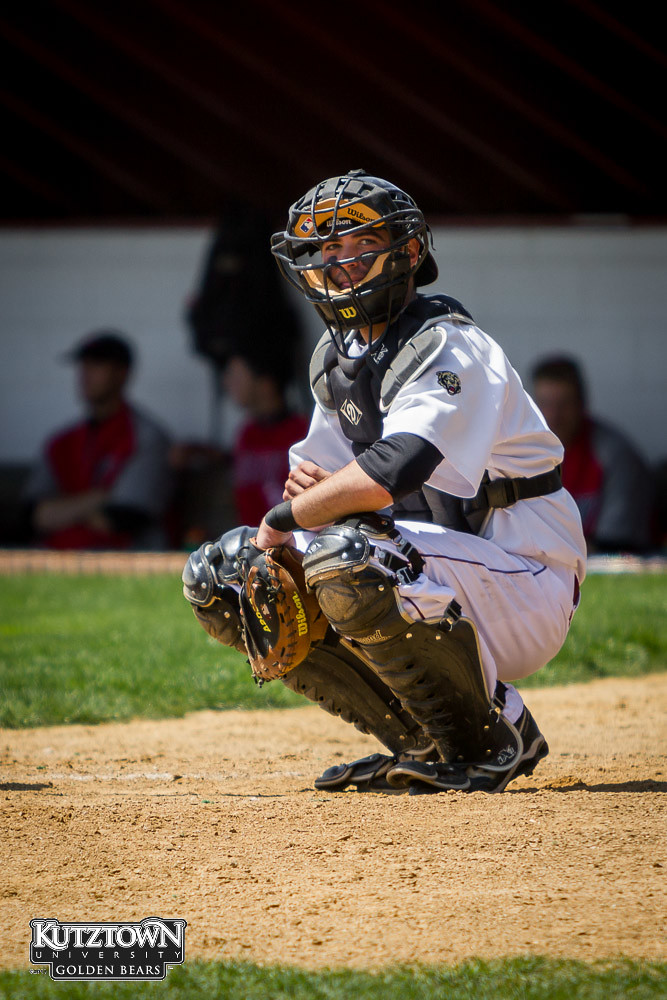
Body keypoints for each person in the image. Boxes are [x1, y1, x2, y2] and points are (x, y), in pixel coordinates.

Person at [183, 169, 586, 795]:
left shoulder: (448, 343)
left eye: (360, 243)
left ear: (408, 251)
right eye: (329, 248)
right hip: (440, 575)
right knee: (229, 575)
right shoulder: (338, 361)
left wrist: (291, 517)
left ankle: (496, 730)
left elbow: (391, 470)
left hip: (527, 575)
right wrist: (300, 516)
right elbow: (312, 489)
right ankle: (424, 740)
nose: (340, 261)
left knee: (347, 553)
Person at [24, 331, 172, 550]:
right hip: (54, 557)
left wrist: (60, 511)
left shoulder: (147, 437)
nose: (85, 374)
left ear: (122, 373)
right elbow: (30, 517)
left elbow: (122, 517)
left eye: (96, 364)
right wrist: (98, 498)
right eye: (83, 365)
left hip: (123, 560)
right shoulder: (61, 441)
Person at [531, 356, 654, 554]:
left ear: (582, 403)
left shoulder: (613, 454)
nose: (554, 415)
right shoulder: (524, 455)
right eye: (545, 404)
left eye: (564, 404)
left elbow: (616, 545)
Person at [223, 351, 309, 526]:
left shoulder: (301, 431)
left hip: (293, 536)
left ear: (266, 383)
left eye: (237, 376)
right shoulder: (246, 433)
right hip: (251, 537)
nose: (227, 383)